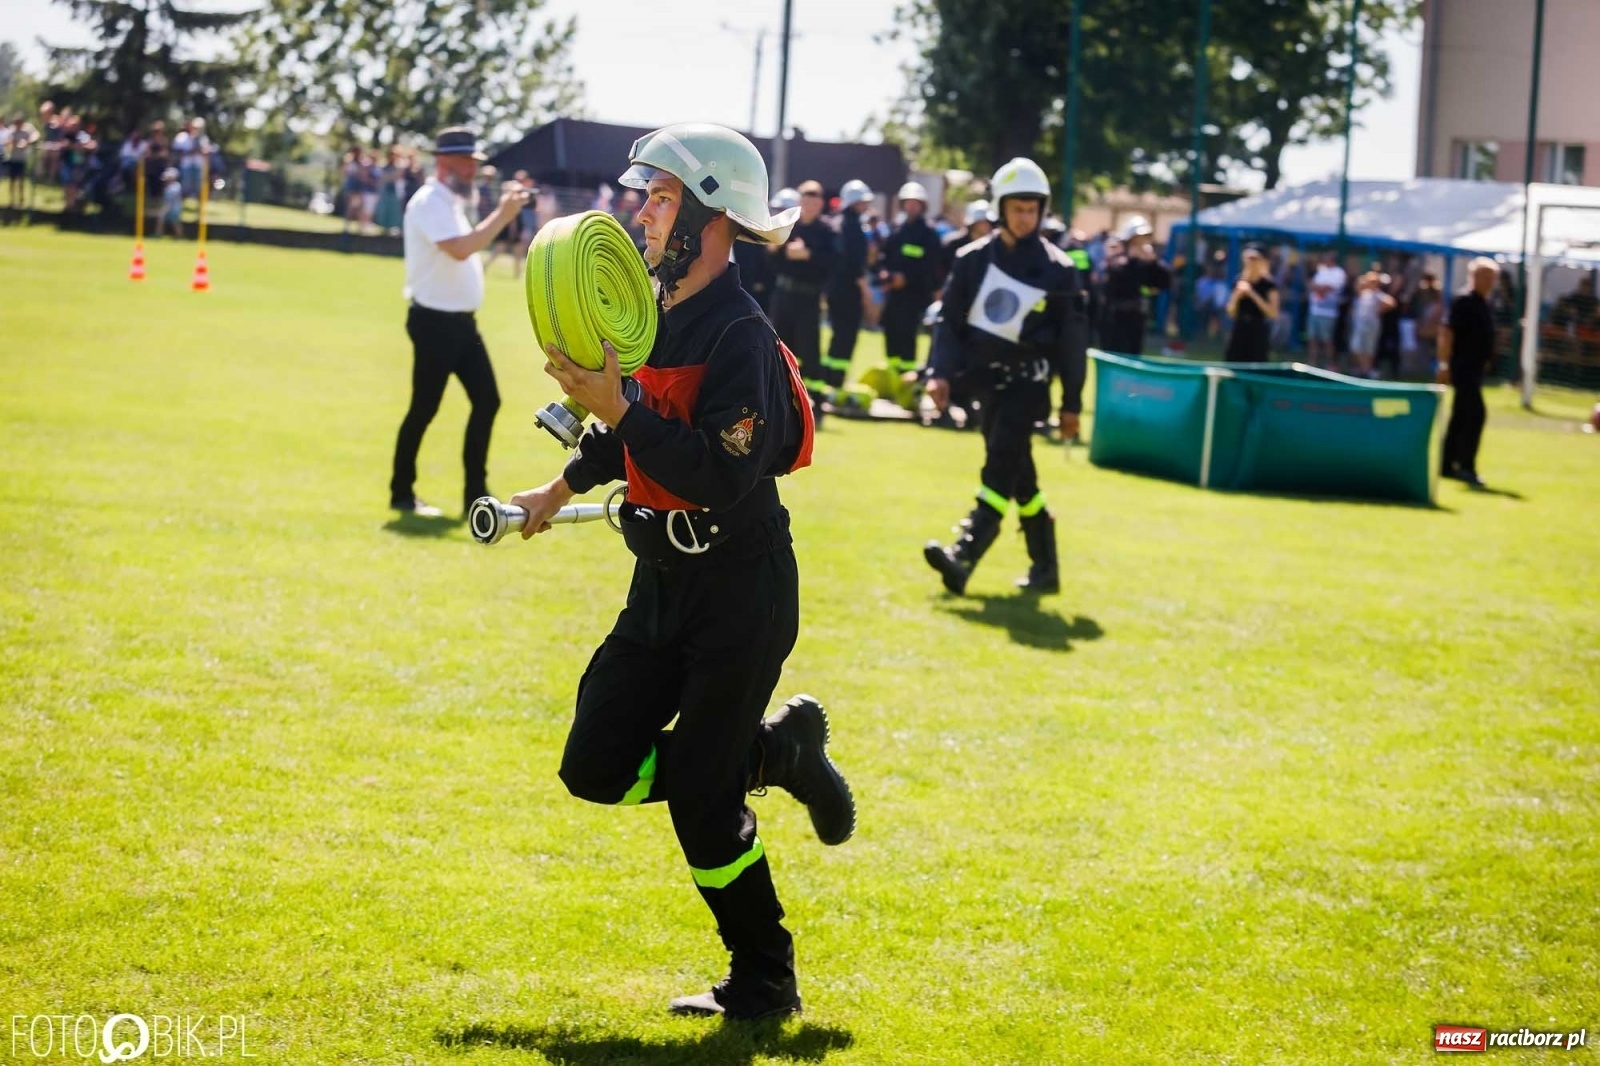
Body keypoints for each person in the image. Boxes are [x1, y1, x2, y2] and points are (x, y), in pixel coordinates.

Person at [504, 122, 854, 1020]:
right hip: (660, 582)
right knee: (594, 765)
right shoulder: (649, 314)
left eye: (661, 198)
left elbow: (721, 471)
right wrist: (558, 483)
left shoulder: (742, 334)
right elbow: (633, 433)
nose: (643, 213)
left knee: (701, 798)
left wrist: (618, 406)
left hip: (740, 590)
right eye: (645, 196)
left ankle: (765, 979)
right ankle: (777, 752)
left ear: (711, 216)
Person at [922, 157, 1088, 596]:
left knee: (999, 464)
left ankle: (964, 556)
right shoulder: (971, 260)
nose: (1026, 216)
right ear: (999, 208)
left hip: (1029, 387)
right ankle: (1046, 568)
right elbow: (949, 324)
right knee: (1021, 478)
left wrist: (1072, 402)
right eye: (1018, 208)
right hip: (984, 385)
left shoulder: (1060, 269)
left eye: (1033, 208)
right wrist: (938, 374)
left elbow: (1073, 343)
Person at [388, 127, 527, 517]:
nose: (472, 170)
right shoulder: (430, 201)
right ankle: (402, 492)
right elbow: (462, 250)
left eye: (474, 163)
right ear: (445, 162)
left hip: (461, 324)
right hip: (435, 322)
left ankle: (475, 496)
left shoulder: (450, 201)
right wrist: (504, 214)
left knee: (487, 401)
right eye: (467, 163)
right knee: (424, 409)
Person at [769, 179, 835, 415]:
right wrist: (775, 249)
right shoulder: (789, 226)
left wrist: (809, 254)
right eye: (806, 198)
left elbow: (833, 263)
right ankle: (779, 394)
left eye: (815, 199)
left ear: (821, 203)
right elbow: (771, 262)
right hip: (784, 294)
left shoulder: (827, 230)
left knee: (810, 348)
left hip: (809, 297)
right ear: (800, 201)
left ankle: (814, 398)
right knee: (780, 347)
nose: (810, 203)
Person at [1437, 258, 1500, 487]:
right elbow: (1447, 332)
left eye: (1493, 278)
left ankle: (1445, 464)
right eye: (1486, 277)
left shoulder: (1485, 302)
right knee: (1476, 414)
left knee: (1461, 414)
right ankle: (1466, 466)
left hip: (1475, 368)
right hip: (1462, 366)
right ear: (1474, 276)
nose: (1490, 282)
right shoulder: (1463, 301)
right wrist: (1443, 364)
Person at [877, 181, 942, 380]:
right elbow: (884, 257)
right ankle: (893, 378)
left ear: (922, 206)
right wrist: (885, 274)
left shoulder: (928, 234)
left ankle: (907, 380)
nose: (911, 207)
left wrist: (906, 279)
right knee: (891, 334)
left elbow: (930, 266)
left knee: (907, 337)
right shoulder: (896, 229)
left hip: (913, 297)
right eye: (908, 202)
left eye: (916, 203)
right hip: (893, 295)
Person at [823, 179, 875, 396]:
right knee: (846, 336)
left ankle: (829, 379)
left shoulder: (837, 223)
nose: (865, 205)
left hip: (835, 289)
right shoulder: (853, 227)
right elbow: (855, 263)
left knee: (837, 336)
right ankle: (836, 383)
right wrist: (865, 291)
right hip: (849, 291)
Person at [1098, 216, 1170, 356]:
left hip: (1136, 317)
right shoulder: (1117, 259)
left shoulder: (1146, 263)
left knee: (1133, 355)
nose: (1141, 243)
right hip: (1114, 318)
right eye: (1137, 239)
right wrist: (1131, 259)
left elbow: (1164, 282)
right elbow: (1114, 279)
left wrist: (1152, 262)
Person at [1224, 244, 1280, 363]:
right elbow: (1231, 312)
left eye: (1255, 259)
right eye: (1248, 258)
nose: (1251, 262)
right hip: (1239, 329)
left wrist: (1252, 294)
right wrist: (1237, 295)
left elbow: (1273, 313)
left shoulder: (1269, 284)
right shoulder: (1239, 280)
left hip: (1258, 331)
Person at [1349, 269, 1396, 377]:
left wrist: (1379, 310)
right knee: (1356, 348)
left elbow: (1391, 302)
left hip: (1371, 326)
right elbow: (1357, 285)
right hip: (1360, 325)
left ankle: (1367, 370)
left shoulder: (1377, 294)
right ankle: (1364, 369)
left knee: (1368, 349)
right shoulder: (1364, 293)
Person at [1306, 251, 1347, 369]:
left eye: (1326, 258)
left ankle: (1331, 365)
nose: (1324, 260)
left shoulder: (1339, 273)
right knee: (1312, 338)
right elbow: (1312, 285)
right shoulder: (1321, 271)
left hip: (1328, 314)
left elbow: (1327, 288)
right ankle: (1312, 364)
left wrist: (1319, 287)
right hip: (1314, 311)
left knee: (1327, 340)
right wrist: (1318, 287)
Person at [941, 199, 993, 277]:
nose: (987, 225)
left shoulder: (991, 246)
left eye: (989, 222)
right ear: (974, 223)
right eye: (983, 221)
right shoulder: (953, 243)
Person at [155, 166, 183, 238]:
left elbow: (172, 199)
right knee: (162, 220)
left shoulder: (176, 186)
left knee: (175, 223)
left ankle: (179, 236)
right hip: (170, 207)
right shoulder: (169, 186)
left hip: (174, 208)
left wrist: (166, 208)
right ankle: (159, 234)